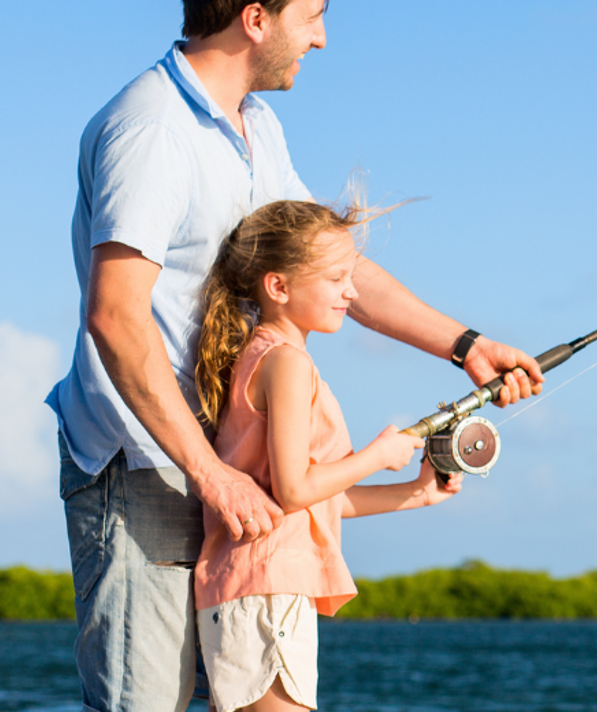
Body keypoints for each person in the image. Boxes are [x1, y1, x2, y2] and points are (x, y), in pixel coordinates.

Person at [47, 0, 543, 711]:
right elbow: (114, 317)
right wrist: (211, 477)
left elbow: (332, 268)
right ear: (256, 19)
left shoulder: (258, 128)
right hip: (145, 468)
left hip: (230, 466)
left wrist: (465, 345)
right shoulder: (151, 131)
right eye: (311, 18)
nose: (320, 41)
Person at [191, 198, 449, 712]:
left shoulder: (271, 357)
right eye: (335, 279)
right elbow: (294, 490)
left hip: (260, 587)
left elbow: (313, 496)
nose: (351, 292)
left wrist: (415, 494)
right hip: (265, 588)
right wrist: (379, 454)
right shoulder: (285, 363)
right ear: (278, 287)